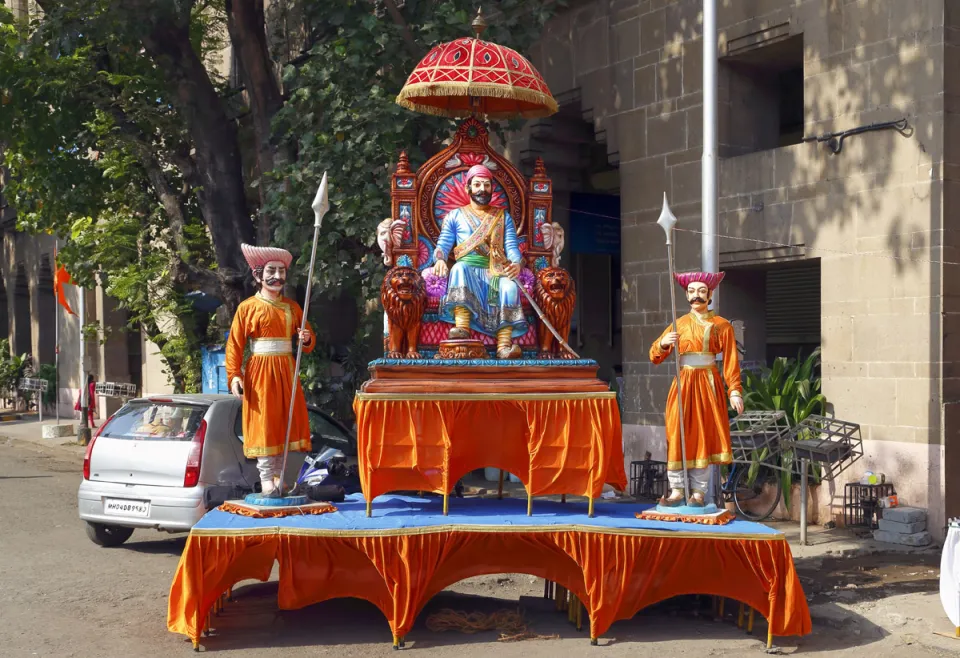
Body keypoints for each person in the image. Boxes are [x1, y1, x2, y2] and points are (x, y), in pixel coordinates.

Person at [226, 244, 315, 495]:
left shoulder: (293, 307)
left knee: (283, 422)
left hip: (286, 369)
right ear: (257, 275)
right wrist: (234, 376)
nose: (277, 276)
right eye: (271, 270)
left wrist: (306, 338)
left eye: (281, 270)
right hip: (260, 372)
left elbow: (307, 342)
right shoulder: (247, 308)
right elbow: (234, 344)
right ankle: (266, 478)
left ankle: (279, 476)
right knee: (264, 423)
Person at [649, 271, 744, 507]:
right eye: (691, 291)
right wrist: (662, 343)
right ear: (686, 295)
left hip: (707, 385)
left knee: (701, 436)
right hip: (682, 385)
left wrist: (734, 390)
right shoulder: (678, 324)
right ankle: (677, 489)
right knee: (677, 433)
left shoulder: (721, 325)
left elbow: (731, 360)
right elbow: (654, 356)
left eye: (701, 291)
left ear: (710, 294)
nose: (696, 296)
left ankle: (699, 493)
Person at [431, 164, 527, 359]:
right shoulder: (455, 216)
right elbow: (443, 245)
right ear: (468, 188)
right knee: (458, 268)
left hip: (495, 271)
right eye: (477, 185)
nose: (482, 189)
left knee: (509, 287)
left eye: (486, 185)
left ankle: (503, 347)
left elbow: (512, 248)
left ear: (492, 188)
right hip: (467, 272)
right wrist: (440, 259)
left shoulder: (502, 217)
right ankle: (462, 328)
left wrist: (516, 264)